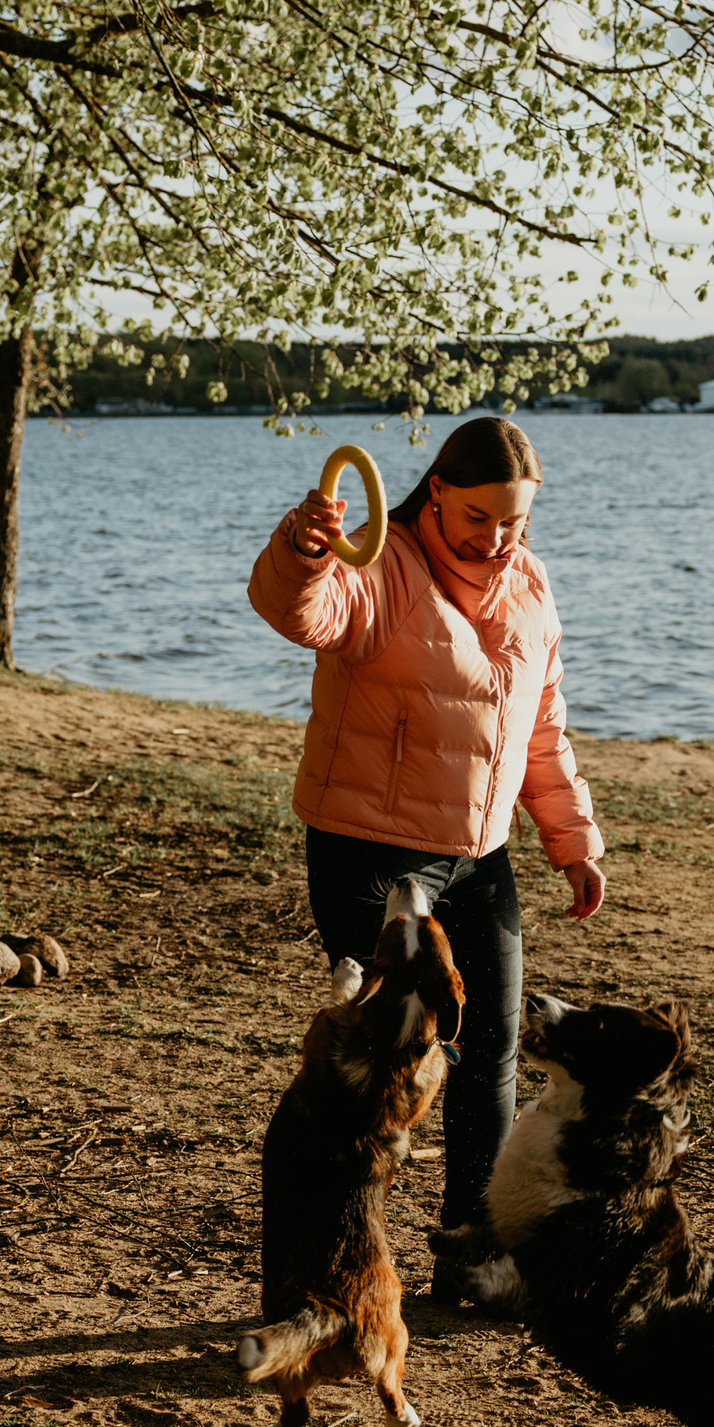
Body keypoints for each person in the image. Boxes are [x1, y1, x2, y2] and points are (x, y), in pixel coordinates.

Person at [247, 416, 605, 1300]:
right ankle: (330, 1270)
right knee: (381, 1066)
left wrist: (574, 841)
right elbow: (300, 610)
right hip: (366, 851)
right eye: (478, 518)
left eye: (513, 524)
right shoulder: (381, 567)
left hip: (480, 857)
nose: (495, 540)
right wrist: (306, 549)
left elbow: (543, 729)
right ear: (437, 491)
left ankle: (473, 1255)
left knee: (491, 1052)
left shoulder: (531, 584)